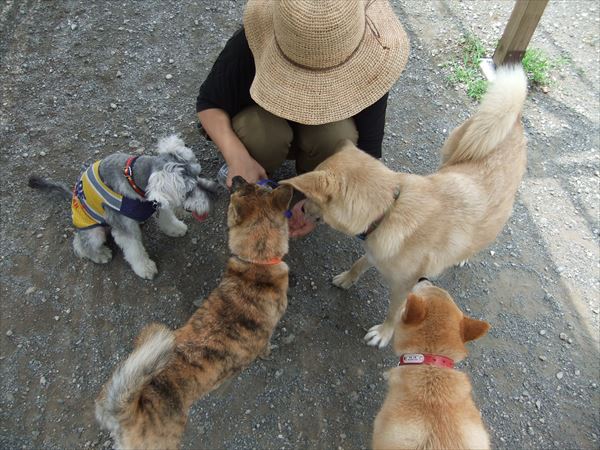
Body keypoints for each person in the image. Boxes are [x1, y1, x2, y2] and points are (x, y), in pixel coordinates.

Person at [196, 0, 409, 237]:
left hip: (316, 137)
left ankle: (306, 185)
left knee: (339, 138)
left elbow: (367, 153)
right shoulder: (250, 45)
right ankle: (252, 175)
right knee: (263, 135)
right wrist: (237, 157)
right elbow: (209, 104)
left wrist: (316, 206)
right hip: (266, 125)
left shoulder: (372, 61)